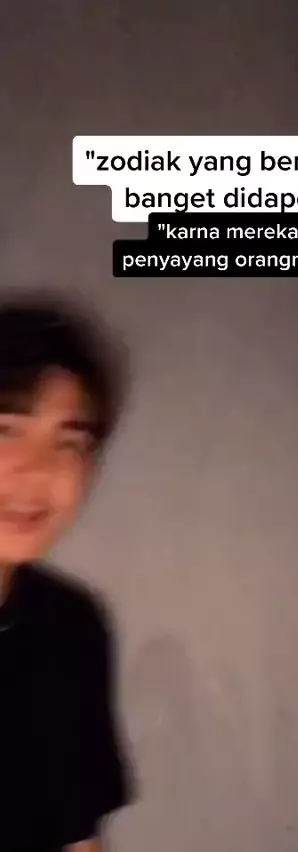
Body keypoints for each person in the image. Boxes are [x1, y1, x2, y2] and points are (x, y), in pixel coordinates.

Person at [0, 294, 132, 852]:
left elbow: (76, 838)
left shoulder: (68, 628)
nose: (38, 472)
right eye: (6, 431)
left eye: (69, 442)